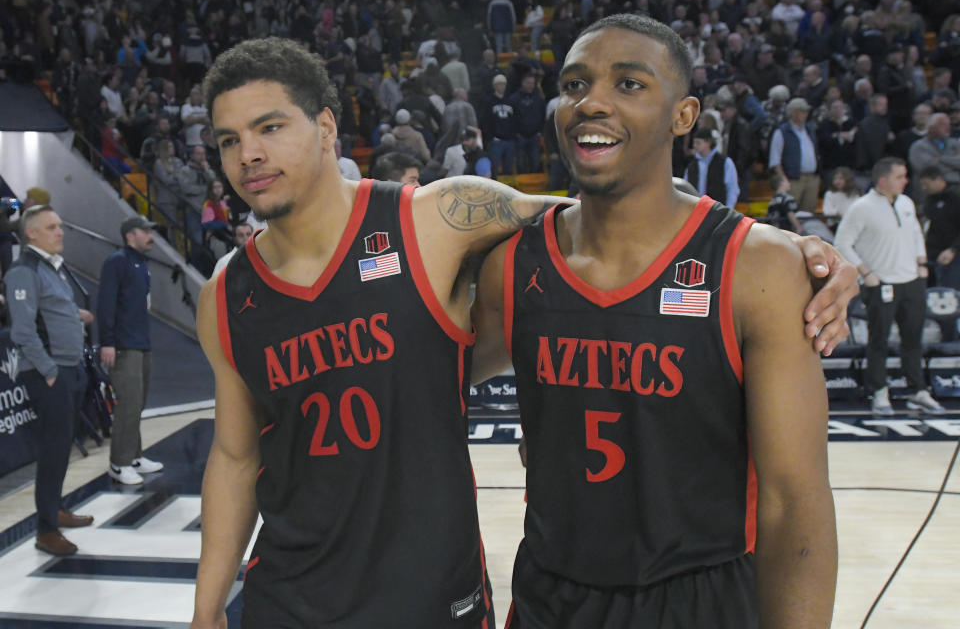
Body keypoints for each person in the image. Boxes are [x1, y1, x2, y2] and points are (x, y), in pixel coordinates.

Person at [191, 36, 855, 629]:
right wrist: (206, 606)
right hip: (496, 592)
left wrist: (794, 253)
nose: (249, 153)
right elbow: (238, 454)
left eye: (270, 127)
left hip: (583, 595)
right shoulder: (229, 298)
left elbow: (612, 213)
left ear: (327, 126)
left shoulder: (439, 220)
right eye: (227, 139)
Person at [471, 14, 842, 628]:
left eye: (630, 84)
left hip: (703, 598)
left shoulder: (758, 266)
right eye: (573, 85)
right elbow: (422, 383)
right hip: (551, 595)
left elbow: (793, 503)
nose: (591, 102)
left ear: (684, 116)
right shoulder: (512, 266)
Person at [5, 204, 94, 556]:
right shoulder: (23, 271)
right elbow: (24, 332)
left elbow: (51, 310)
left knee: (62, 448)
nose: (61, 232)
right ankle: (46, 530)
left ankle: (55, 508)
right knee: (53, 449)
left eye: (60, 226)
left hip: (69, 368)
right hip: (50, 373)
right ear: (32, 233)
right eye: (53, 226)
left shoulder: (51, 268)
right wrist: (51, 371)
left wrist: (75, 316)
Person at [835, 157, 945, 416]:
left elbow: (917, 233)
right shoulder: (861, 207)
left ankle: (918, 391)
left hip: (912, 283)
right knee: (878, 341)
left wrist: (921, 265)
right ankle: (880, 393)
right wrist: (866, 273)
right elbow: (842, 243)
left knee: (913, 340)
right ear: (883, 180)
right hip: (880, 283)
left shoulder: (906, 202)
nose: (906, 180)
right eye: (900, 176)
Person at [97, 215, 165, 486]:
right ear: (130, 235)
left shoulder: (141, 264)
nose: (151, 236)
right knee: (128, 404)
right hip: (124, 345)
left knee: (138, 403)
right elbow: (106, 304)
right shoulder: (117, 262)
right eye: (145, 231)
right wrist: (108, 342)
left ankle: (134, 456)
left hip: (141, 342)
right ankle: (119, 462)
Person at [768, 97, 821, 213]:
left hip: (812, 178)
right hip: (793, 180)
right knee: (791, 212)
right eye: (803, 111)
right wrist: (784, 180)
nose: (806, 114)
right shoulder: (781, 132)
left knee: (809, 213)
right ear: (795, 113)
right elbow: (775, 160)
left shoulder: (809, 129)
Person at [918, 166, 960, 288]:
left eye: (927, 184)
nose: (924, 188)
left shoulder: (956, 198)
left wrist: (953, 249)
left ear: (939, 179)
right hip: (931, 253)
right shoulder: (928, 200)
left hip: (953, 254)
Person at [684, 128, 740, 207]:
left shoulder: (725, 162)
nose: (694, 146)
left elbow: (732, 188)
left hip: (718, 211)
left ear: (708, 143)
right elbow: (686, 190)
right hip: (696, 211)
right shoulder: (692, 165)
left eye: (698, 143)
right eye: (694, 142)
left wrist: (728, 210)